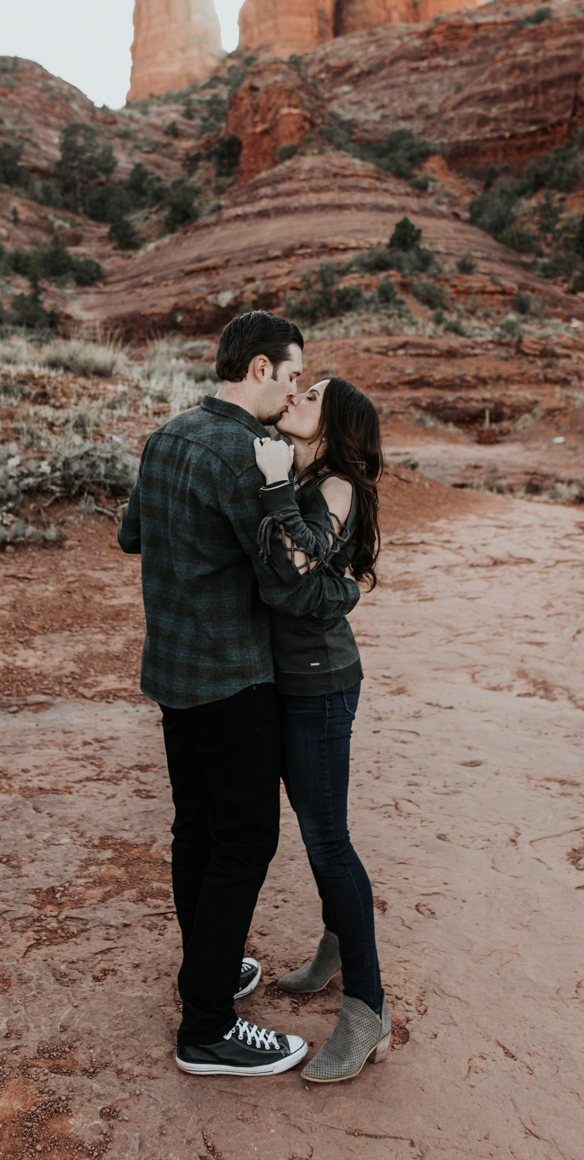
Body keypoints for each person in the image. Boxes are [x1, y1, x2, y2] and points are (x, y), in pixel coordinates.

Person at [117, 312, 361, 1078]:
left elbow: (132, 534)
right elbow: (290, 586)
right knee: (244, 840)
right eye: (292, 377)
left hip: (173, 675)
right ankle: (208, 1028)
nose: (294, 390)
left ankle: (210, 977)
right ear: (259, 369)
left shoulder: (170, 432)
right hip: (232, 679)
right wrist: (343, 591)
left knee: (197, 832)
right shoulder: (248, 454)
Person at [252, 376, 389, 1082]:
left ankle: (367, 1011)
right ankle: (337, 942)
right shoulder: (300, 469)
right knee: (313, 827)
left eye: (310, 393)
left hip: (320, 684)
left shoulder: (337, 484)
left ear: (333, 424)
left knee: (327, 838)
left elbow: (302, 562)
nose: (295, 395)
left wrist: (276, 485)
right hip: (281, 678)